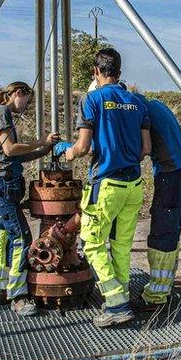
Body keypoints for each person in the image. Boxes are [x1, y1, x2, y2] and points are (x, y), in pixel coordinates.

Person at [55, 48, 150, 327]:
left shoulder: (92, 99)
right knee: (121, 245)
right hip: (133, 186)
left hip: (106, 185)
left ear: (96, 71)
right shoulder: (138, 102)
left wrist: (66, 152)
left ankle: (117, 303)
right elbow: (145, 148)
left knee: (92, 243)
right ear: (119, 72)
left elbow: (83, 148)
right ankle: (121, 295)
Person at [0, 81, 59, 316]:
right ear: (18, 93)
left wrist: (44, 151)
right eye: (27, 100)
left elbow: (15, 157)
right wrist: (42, 141)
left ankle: (1, 289)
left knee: (3, 235)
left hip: (3, 183)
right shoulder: (2, 112)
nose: (26, 106)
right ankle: (18, 294)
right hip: (3, 185)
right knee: (21, 237)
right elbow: (10, 149)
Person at [128, 90, 181, 308]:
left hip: (171, 175)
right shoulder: (156, 105)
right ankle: (165, 286)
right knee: (172, 231)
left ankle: (156, 295)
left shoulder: (139, 112)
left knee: (162, 233)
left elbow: (141, 148)